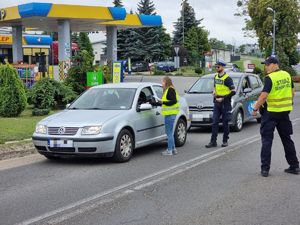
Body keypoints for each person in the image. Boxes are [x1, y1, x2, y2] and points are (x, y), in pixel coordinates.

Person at [252, 55, 299, 177]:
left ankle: (265, 169)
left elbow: (263, 96)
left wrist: (255, 108)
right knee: (287, 139)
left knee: (267, 141)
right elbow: (292, 93)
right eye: (265, 64)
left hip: (270, 113)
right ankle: (294, 166)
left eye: (267, 64)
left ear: (274, 64)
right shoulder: (287, 75)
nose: (266, 67)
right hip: (284, 113)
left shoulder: (270, 78)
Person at [206, 59, 236, 148]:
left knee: (225, 122)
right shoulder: (216, 77)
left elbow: (233, 91)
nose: (217, 68)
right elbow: (215, 86)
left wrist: (223, 98)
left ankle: (225, 140)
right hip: (216, 102)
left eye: (218, 66)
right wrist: (214, 91)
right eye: (216, 66)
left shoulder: (228, 79)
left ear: (222, 67)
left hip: (225, 103)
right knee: (214, 122)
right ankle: (213, 141)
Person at [151, 76, 179, 156]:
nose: (161, 83)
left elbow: (173, 101)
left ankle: (169, 150)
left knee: (169, 133)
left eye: (162, 82)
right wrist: (153, 103)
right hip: (170, 114)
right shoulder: (169, 90)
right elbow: (164, 102)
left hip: (170, 114)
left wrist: (162, 102)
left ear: (166, 82)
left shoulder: (170, 90)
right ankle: (173, 149)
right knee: (170, 132)